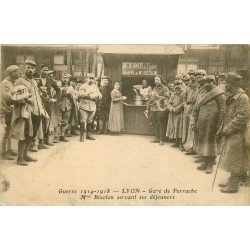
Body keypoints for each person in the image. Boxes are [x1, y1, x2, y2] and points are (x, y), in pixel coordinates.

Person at [216, 72, 250, 193]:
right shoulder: (232, 96)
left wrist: (227, 129)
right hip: (231, 133)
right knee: (230, 157)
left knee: (235, 159)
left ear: (233, 84)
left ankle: (233, 186)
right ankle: (232, 180)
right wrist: (222, 129)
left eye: (227, 83)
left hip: (238, 134)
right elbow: (227, 115)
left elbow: (242, 117)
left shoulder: (243, 98)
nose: (225, 85)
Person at [11, 59, 45, 165]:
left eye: (32, 68)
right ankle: (20, 158)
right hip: (25, 112)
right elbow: (14, 96)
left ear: (34, 70)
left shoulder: (34, 81)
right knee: (24, 134)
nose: (30, 70)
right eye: (28, 68)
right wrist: (25, 99)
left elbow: (37, 96)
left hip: (36, 111)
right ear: (24, 68)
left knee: (32, 134)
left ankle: (25, 155)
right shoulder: (20, 81)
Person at [191, 75, 226, 174]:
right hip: (201, 124)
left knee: (211, 144)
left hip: (212, 125)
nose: (206, 84)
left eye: (209, 82)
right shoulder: (202, 95)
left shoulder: (219, 95)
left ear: (213, 83)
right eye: (205, 82)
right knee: (203, 143)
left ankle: (210, 164)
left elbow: (223, 111)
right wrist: (193, 123)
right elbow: (195, 110)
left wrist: (219, 125)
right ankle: (205, 162)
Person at [0, 65, 20, 160]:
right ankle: (4, 151)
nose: (19, 73)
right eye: (17, 71)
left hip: (10, 109)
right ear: (12, 73)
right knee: (6, 130)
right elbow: (6, 97)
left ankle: (9, 148)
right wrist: (16, 96)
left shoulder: (12, 83)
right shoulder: (5, 83)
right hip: (5, 109)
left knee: (10, 130)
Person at [145, 75, 170, 146]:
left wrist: (158, 96)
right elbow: (151, 99)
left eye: (158, 80)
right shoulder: (155, 88)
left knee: (161, 123)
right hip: (154, 109)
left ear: (161, 80)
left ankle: (162, 139)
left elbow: (167, 98)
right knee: (155, 123)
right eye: (155, 80)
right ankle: (157, 138)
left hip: (161, 109)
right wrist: (147, 108)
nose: (156, 81)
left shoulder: (165, 88)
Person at [78, 73, 101, 141]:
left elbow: (98, 94)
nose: (91, 80)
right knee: (83, 121)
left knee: (90, 120)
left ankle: (88, 135)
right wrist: (88, 93)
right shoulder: (83, 86)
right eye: (89, 78)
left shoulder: (95, 86)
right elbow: (80, 94)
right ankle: (81, 136)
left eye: (92, 79)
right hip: (84, 105)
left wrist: (94, 95)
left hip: (92, 105)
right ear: (86, 79)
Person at [182, 70, 199, 153]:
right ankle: (185, 145)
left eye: (193, 75)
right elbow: (184, 97)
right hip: (188, 107)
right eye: (190, 75)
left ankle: (192, 147)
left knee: (192, 127)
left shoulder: (198, 86)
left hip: (194, 106)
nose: (191, 76)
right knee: (186, 126)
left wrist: (194, 106)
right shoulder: (188, 86)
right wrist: (185, 105)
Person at [166, 81, 185, 150]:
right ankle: (176, 141)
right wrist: (172, 109)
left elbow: (184, 103)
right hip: (173, 113)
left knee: (180, 127)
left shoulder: (184, 93)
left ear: (182, 85)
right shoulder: (173, 94)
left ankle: (181, 143)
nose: (177, 86)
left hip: (181, 113)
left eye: (179, 84)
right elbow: (168, 103)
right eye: (176, 84)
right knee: (174, 127)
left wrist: (177, 108)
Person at [58, 72, 72, 142]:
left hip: (68, 106)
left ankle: (62, 135)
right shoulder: (58, 85)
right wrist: (61, 90)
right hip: (59, 105)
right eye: (64, 77)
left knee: (65, 121)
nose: (65, 79)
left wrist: (70, 93)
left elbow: (74, 96)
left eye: (66, 78)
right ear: (61, 78)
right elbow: (55, 93)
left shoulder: (70, 86)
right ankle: (55, 136)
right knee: (58, 121)